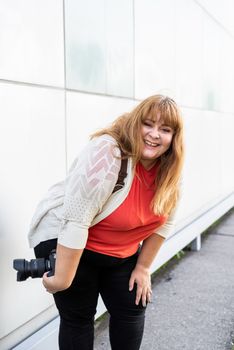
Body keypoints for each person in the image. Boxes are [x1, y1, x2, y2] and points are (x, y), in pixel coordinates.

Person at [28, 94, 184, 350]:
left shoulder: (170, 171)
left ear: (173, 138)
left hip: (119, 252)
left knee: (132, 309)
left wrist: (143, 268)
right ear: (136, 123)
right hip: (71, 241)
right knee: (78, 318)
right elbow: (76, 220)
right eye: (148, 124)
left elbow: (164, 224)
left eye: (165, 129)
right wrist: (62, 280)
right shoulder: (108, 152)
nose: (155, 134)